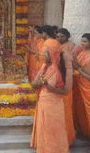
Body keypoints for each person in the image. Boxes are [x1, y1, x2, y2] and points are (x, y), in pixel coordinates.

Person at [30, 25, 71, 153]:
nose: (43, 55)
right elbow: (34, 84)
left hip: (53, 104)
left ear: (53, 54)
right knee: (45, 130)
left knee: (53, 130)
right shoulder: (45, 66)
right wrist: (42, 81)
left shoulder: (59, 70)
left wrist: (48, 87)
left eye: (45, 53)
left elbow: (65, 91)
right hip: (44, 101)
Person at [73, 33, 90, 137]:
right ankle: (81, 130)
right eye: (82, 41)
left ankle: (88, 132)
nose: (82, 43)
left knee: (87, 110)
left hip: (87, 84)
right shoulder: (82, 52)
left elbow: (84, 69)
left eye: (85, 41)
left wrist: (74, 61)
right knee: (79, 109)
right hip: (78, 83)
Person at [56, 28, 76, 145]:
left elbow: (70, 64)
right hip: (59, 79)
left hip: (66, 80)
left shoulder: (71, 46)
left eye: (62, 36)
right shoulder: (57, 46)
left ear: (67, 36)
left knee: (66, 111)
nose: (59, 39)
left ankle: (67, 137)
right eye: (57, 36)